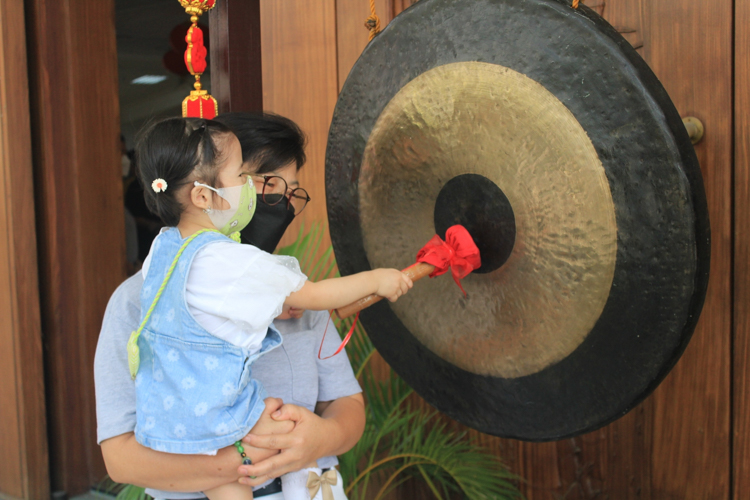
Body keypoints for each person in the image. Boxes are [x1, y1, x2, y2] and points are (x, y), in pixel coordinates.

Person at [101, 115, 412, 500]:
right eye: (261, 183)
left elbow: (347, 405)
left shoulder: (285, 286)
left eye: (290, 192)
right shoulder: (141, 299)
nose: (275, 202)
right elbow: (120, 458)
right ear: (205, 187)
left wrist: (319, 439)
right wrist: (242, 460)